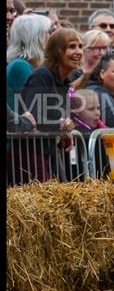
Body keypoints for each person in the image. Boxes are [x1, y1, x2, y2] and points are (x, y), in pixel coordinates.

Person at [17, 28, 83, 183]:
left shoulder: (64, 81)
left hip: (49, 150)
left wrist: (64, 131)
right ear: (56, 51)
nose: (78, 51)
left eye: (80, 46)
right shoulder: (42, 76)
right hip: (31, 152)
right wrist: (59, 126)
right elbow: (32, 117)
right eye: (72, 46)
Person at [6, 13, 51, 111]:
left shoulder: (25, 64)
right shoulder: (20, 66)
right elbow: (38, 106)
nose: (51, 36)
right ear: (36, 37)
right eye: (48, 32)